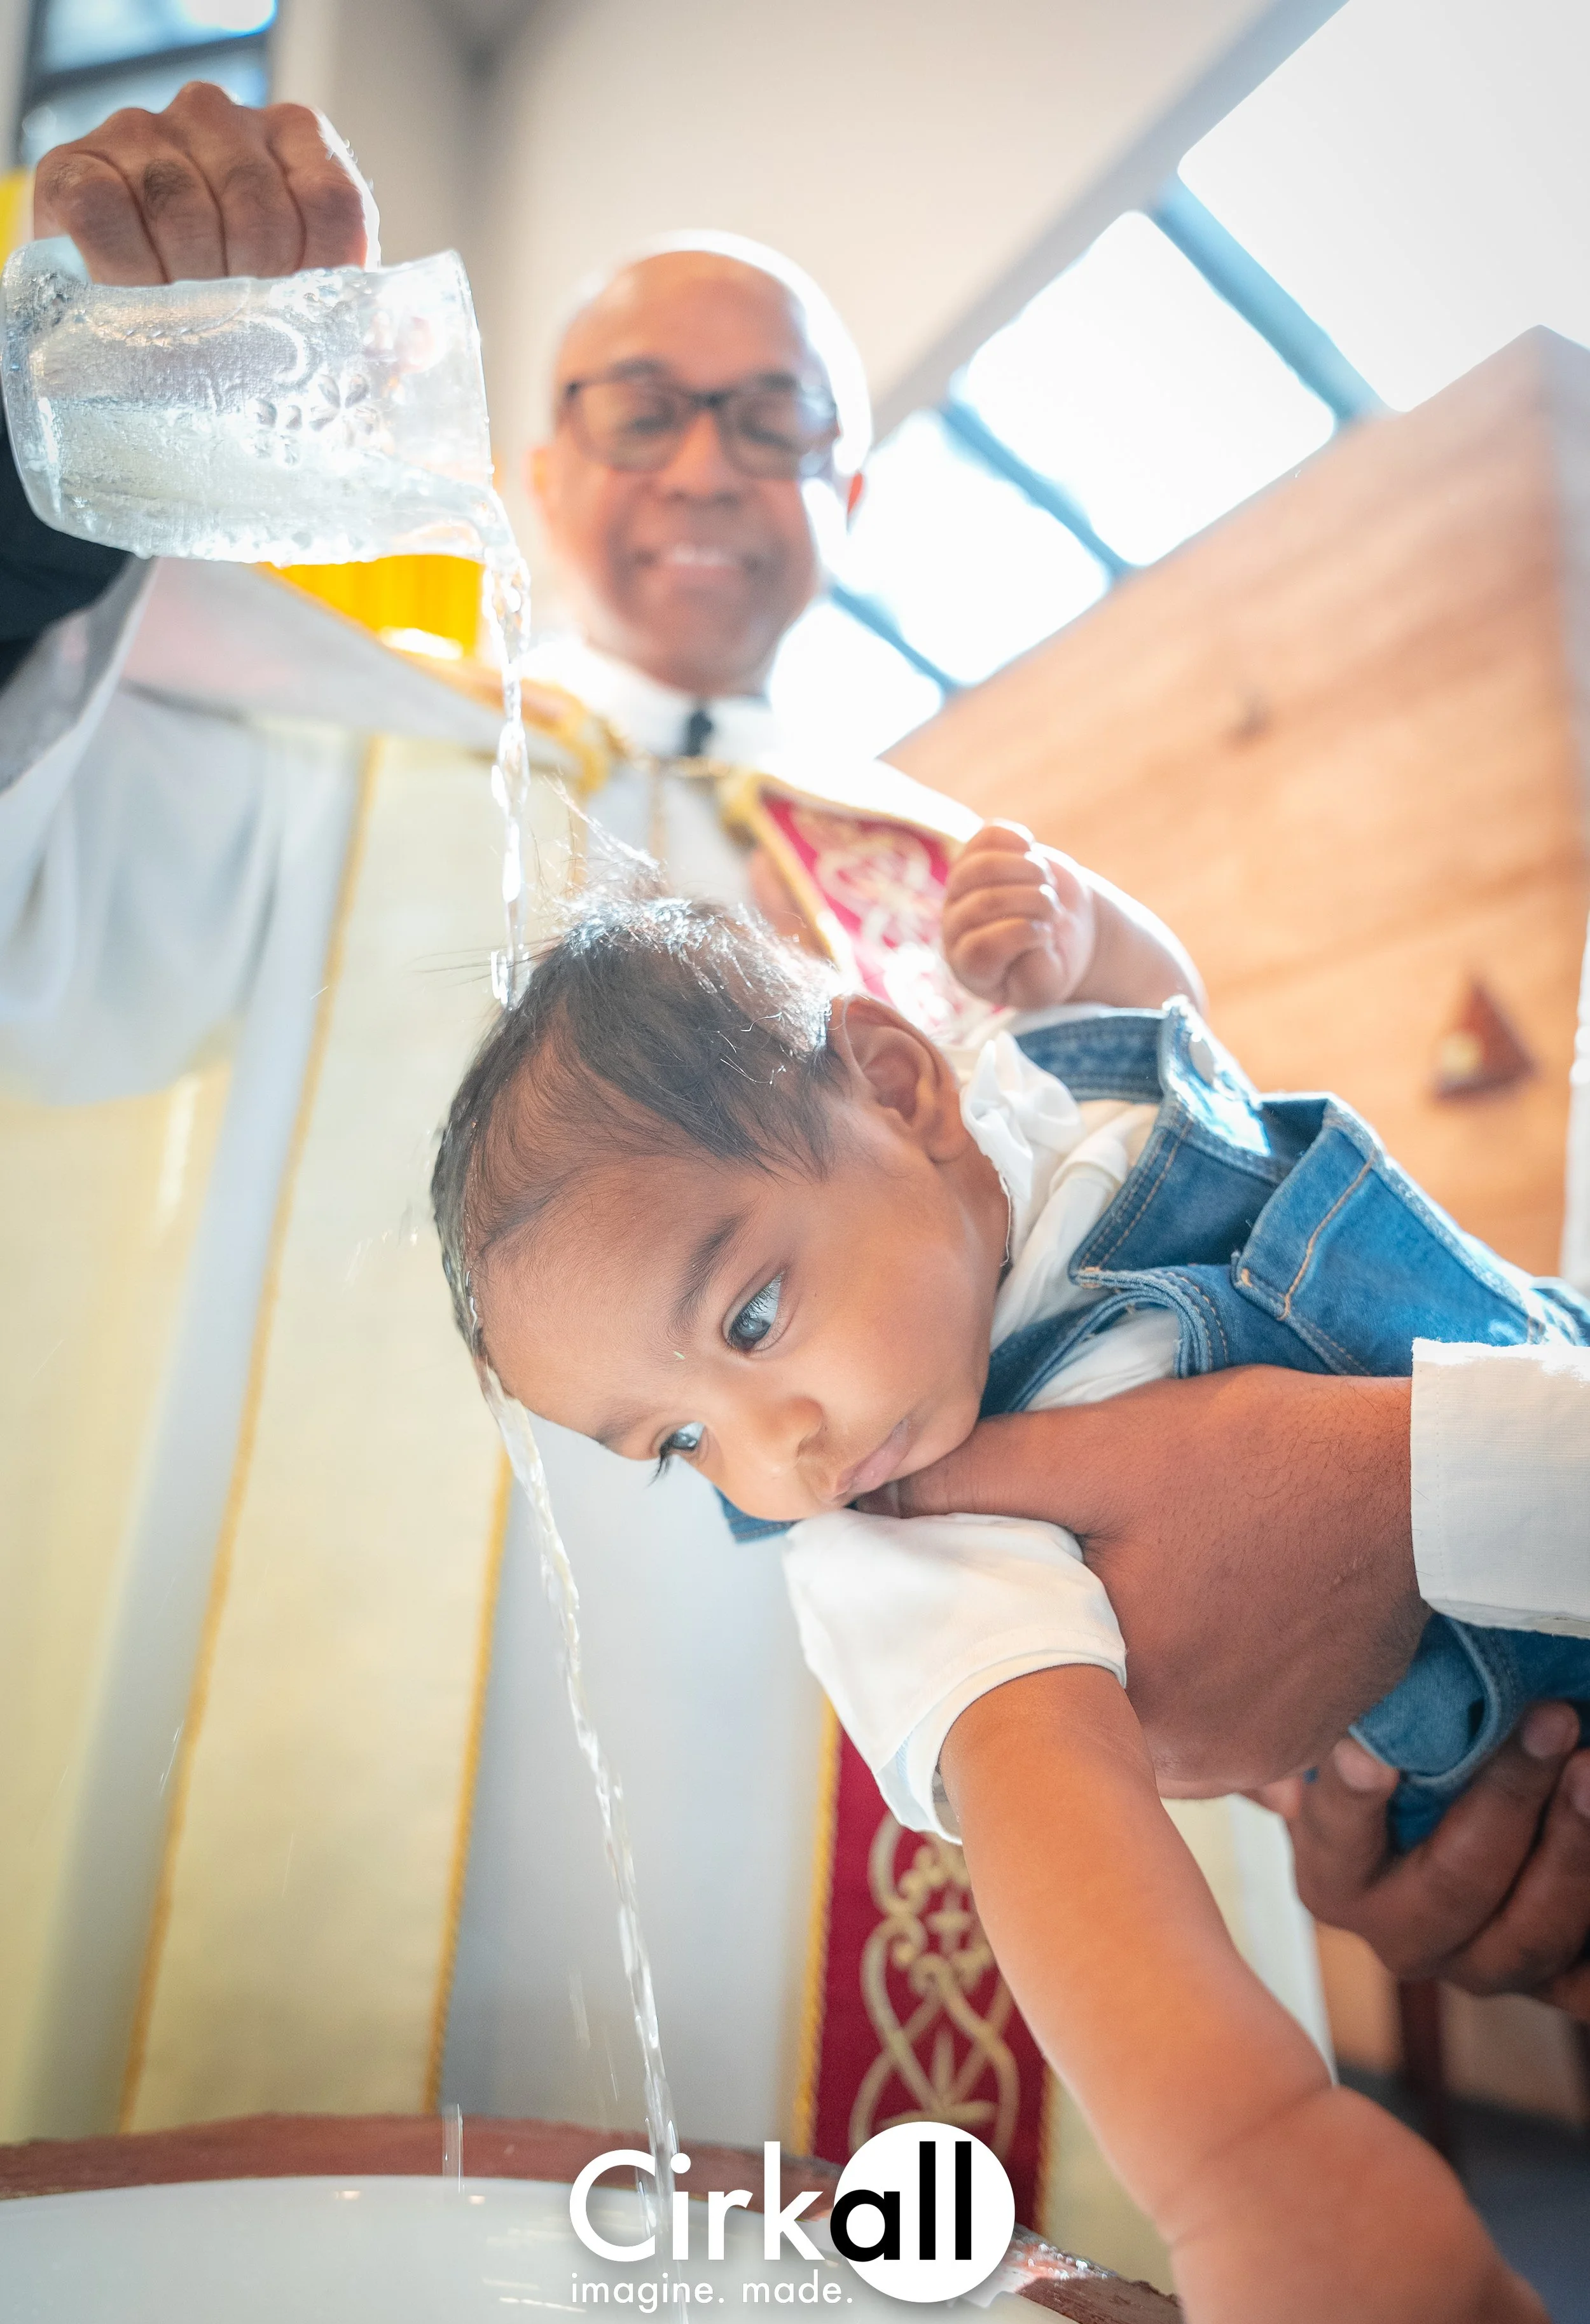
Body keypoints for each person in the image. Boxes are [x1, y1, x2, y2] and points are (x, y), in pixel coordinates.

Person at [12, 82, 1582, 2049]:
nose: (703, 460)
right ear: (536, 458)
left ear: (845, 498)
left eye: (775, 421)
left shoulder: (980, 902)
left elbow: (1225, 1346)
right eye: (637, 403)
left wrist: (1383, 1732)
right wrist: (62, 455)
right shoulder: (316, 758)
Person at [427, 887, 1586, 2324]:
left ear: (904, 1092)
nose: (770, 1456)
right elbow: (1055, 1816)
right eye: (674, 1442)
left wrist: (1070, 926)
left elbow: (1174, 1022)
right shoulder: (908, 1539)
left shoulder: (1038, 1105)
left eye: (754, 1317)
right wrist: (1254, 2168)